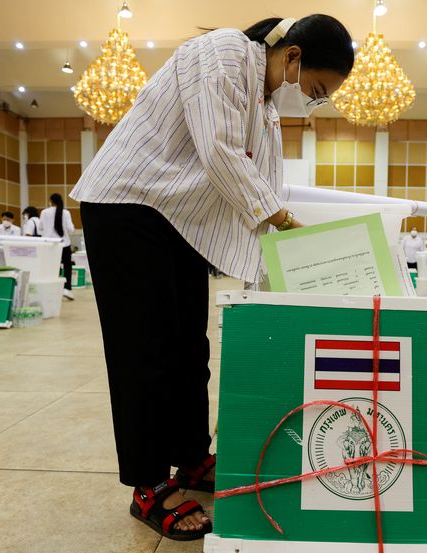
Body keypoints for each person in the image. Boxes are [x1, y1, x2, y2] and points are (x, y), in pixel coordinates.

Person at [69, 15, 353, 541]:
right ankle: (149, 485)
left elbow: (265, 188)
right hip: (128, 205)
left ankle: (191, 459)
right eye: (315, 91)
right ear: (292, 56)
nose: (311, 104)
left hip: (177, 219)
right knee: (145, 353)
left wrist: (288, 260)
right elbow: (219, 151)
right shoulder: (222, 54)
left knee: (187, 349)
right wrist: (284, 224)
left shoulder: (265, 107)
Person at [40, 193, 76, 300]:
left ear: (50, 201)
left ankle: (53, 289)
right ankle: (67, 289)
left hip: (49, 244)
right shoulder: (66, 212)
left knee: (52, 267)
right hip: (64, 243)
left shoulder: (44, 212)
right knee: (67, 266)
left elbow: (40, 228)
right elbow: (70, 229)